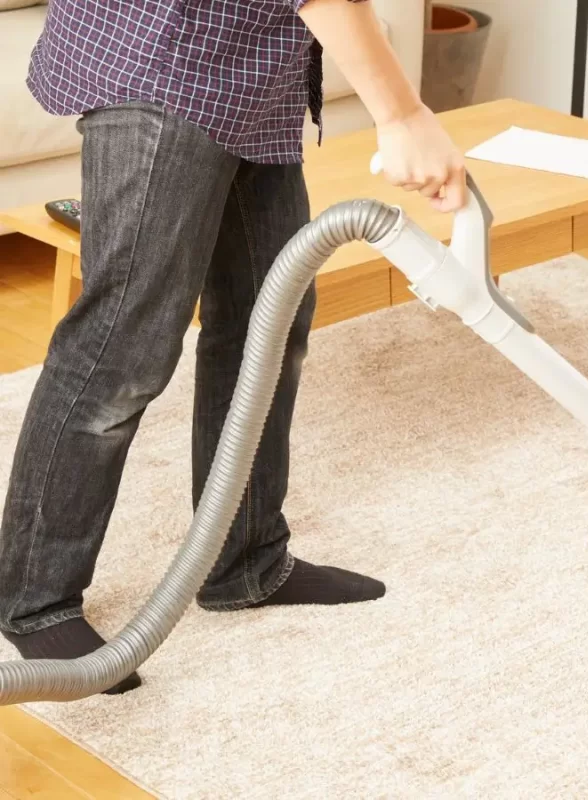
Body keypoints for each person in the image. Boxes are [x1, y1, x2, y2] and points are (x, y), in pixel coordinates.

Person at [0, 0, 466, 695]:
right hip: (164, 60)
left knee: (269, 318)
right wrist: (402, 116)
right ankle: (33, 598)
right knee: (124, 346)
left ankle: (243, 559)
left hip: (250, 74)